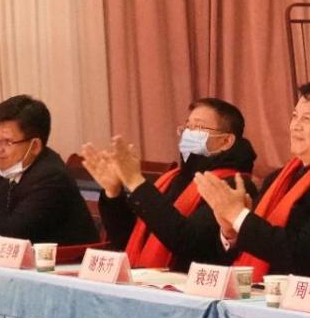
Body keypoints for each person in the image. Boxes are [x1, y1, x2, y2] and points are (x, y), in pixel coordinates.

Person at [196, 79, 310, 279]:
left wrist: (239, 216)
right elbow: (241, 251)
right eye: (295, 116)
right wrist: (231, 233)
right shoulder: (278, 178)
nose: (295, 126)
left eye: (307, 119)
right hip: (253, 288)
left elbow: (304, 255)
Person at [81, 97, 258, 270]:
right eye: (187, 127)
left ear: (226, 141)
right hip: (145, 278)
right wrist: (113, 193)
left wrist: (136, 182)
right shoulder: (174, 178)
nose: (187, 133)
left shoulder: (235, 185)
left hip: (188, 282)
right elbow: (127, 238)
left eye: (198, 127)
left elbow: (188, 242)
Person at [0, 96, 96, 245]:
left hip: (67, 260)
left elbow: (9, 238)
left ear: (35, 146)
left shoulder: (52, 178)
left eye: (7, 141)